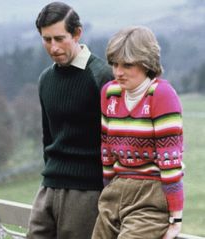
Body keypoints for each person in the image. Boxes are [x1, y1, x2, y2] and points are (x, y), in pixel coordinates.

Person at [27, 2, 113, 239]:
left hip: (87, 192)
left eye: (59, 38)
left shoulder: (103, 76)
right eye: (46, 40)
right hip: (49, 186)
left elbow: (117, 139)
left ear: (77, 33)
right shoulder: (45, 80)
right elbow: (48, 136)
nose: (53, 47)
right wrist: (50, 178)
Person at [91, 26, 184, 239]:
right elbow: (106, 148)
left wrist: (175, 218)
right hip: (116, 189)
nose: (118, 72)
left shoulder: (161, 94)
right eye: (114, 64)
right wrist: (109, 190)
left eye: (127, 65)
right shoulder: (110, 93)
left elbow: (170, 160)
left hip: (150, 194)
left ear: (147, 63)